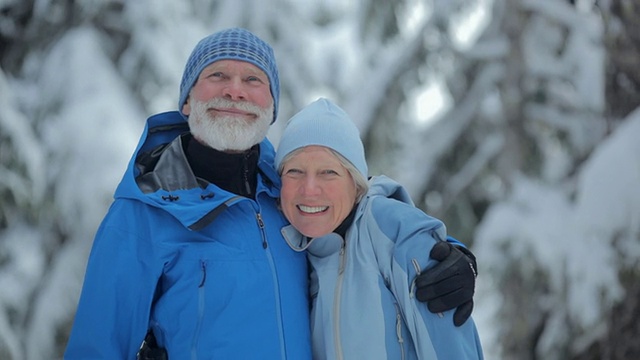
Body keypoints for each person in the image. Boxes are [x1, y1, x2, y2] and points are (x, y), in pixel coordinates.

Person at [64, 28, 477, 359]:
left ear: (272, 108)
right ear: (188, 101)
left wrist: (449, 255)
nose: (235, 91)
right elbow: (97, 346)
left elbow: (361, 210)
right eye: (217, 76)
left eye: (252, 80)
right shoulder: (142, 215)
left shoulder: (289, 192)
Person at [275, 98, 484, 359]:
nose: (309, 189)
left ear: (357, 184)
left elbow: (449, 346)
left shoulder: (388, 227)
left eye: (328, 172)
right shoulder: (292, 249)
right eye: (294, 171)